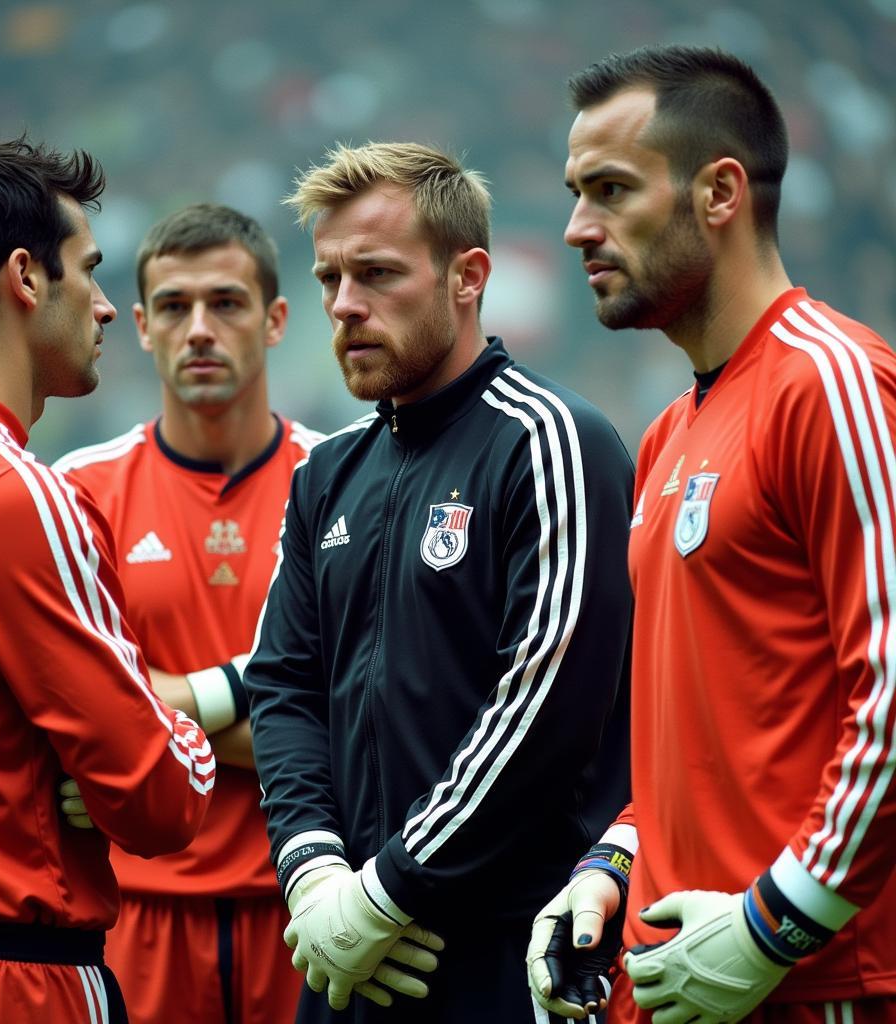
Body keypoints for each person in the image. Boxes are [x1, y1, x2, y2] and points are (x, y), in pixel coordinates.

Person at [530, 44, 896, 1024]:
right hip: (674, 980)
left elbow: (893, 693)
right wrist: (609, 867)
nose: (576, 229)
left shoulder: (834, 383)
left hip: (811, 983)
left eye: (609, 189)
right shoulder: (664, 437)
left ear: (719, 192)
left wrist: (781, 919)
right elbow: (697, 742)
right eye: (575, 193)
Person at [243, 140, 634, 1023]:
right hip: (346, 956)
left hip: (508, 956)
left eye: (377, 274)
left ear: (468, 276)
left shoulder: (550, 442)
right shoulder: (327, 473)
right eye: (330, 279)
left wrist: (389, 892)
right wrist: (314, 874)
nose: (344, 306)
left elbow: (546, 707)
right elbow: (284, 687)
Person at [0, 137, 215, 1024]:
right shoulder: (16, 493)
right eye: (89, 271)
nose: (106, 307)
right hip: (9, 982)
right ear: (26, 278)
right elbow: (160, 798)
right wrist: (191, 727)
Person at [54, 202, 321, 1024]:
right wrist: (283, 722)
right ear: (139, 324)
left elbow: (362, 725)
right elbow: (73, 719)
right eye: (174, 306)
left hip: (310, 912)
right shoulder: (77, 492)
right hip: (137, 917)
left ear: (275, 319)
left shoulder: (344, 483)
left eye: (226, 303)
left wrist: (150, 714)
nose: (199, 328)